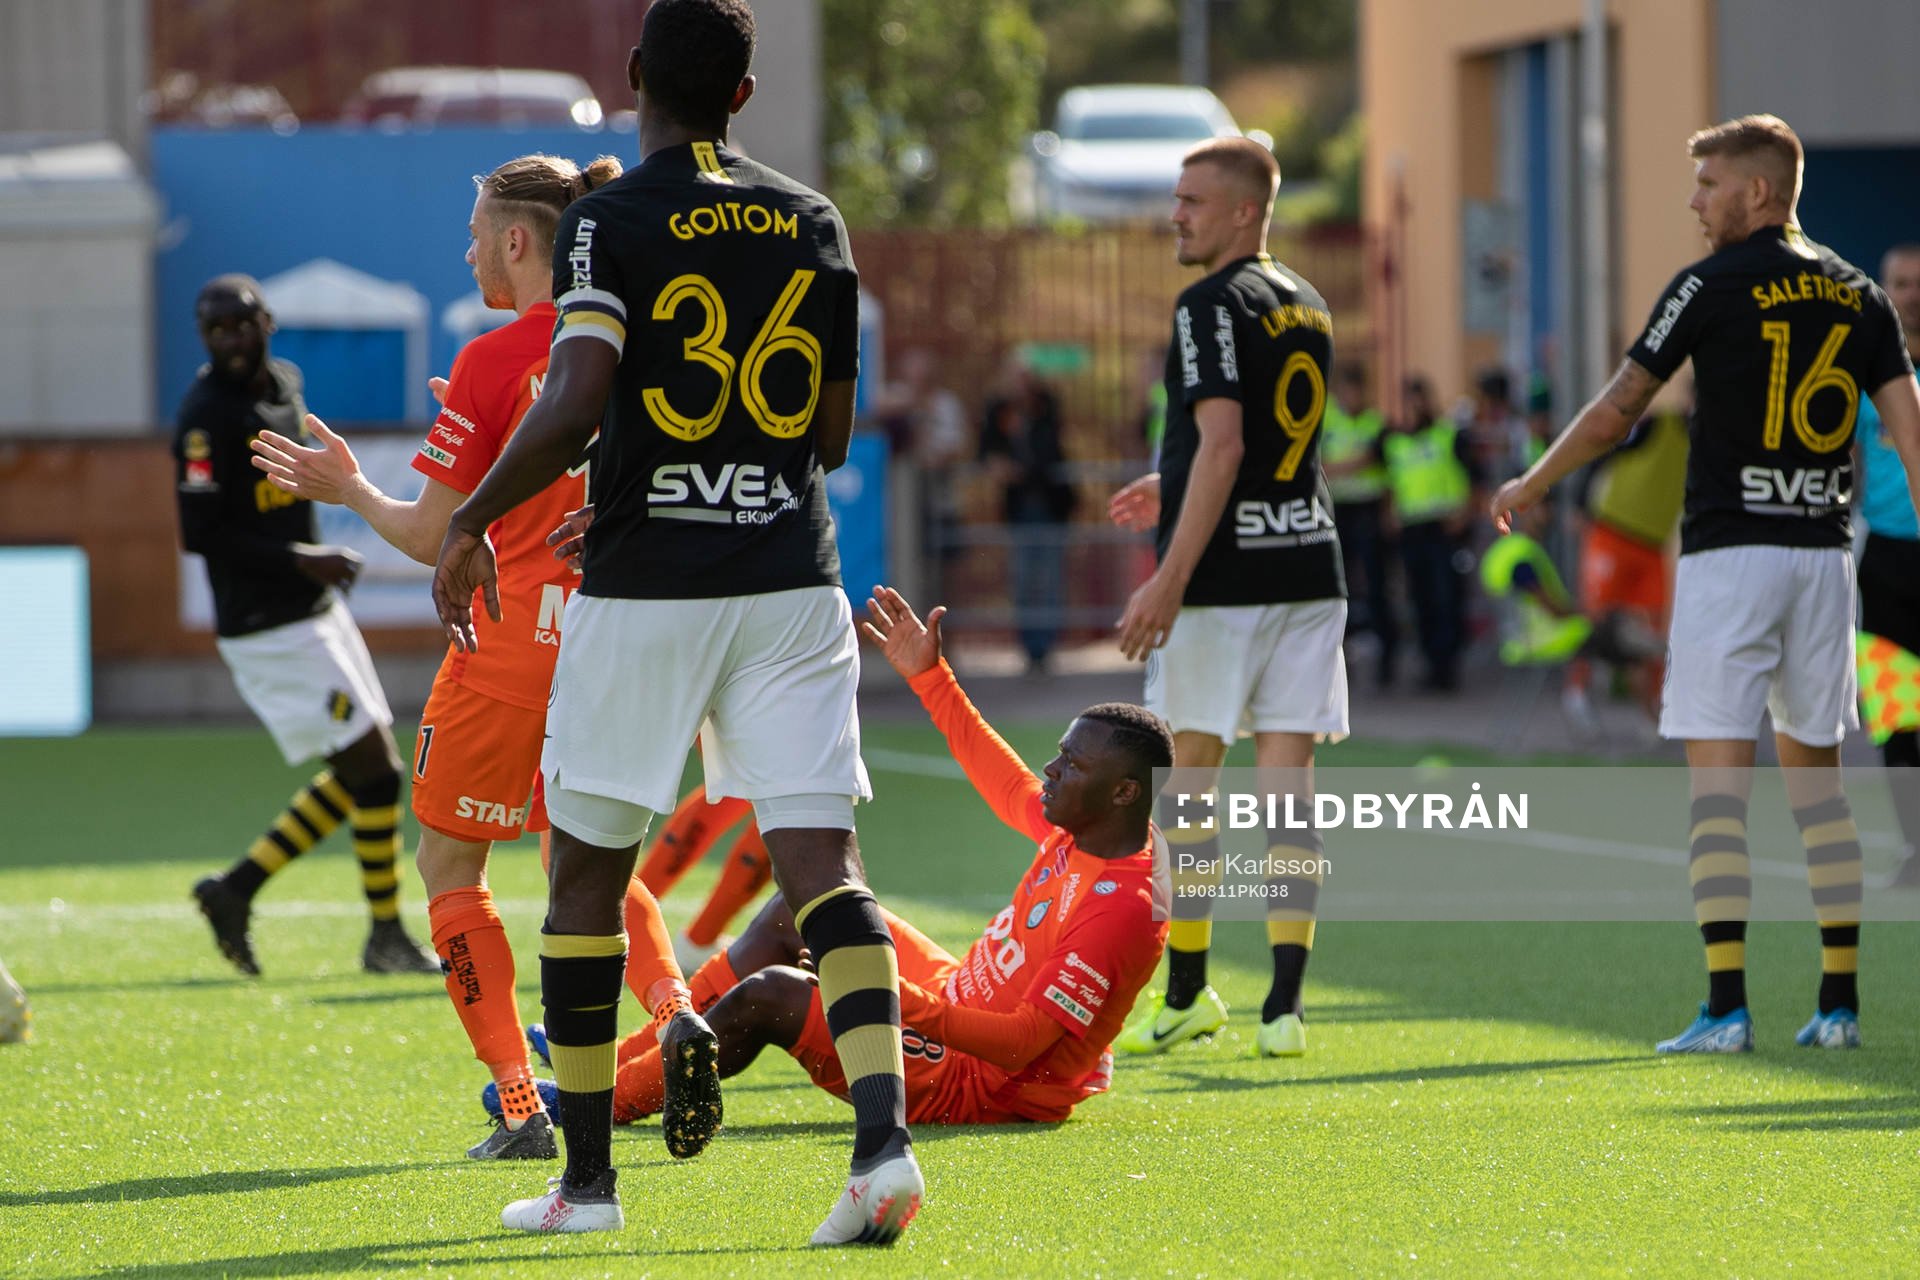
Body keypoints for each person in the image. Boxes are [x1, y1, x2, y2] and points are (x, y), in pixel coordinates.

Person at [428, 0, 922, 1242]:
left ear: (637, 75)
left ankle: (587, 1186)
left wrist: (473, 516)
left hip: (652, 586)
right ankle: (881, 1149)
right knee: (826, 867)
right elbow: (828, 432)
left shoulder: (610, 219)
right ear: (747, 94)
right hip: (789, 572)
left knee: (585, 873)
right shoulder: (815, 219)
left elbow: (581, 396)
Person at [249, 153, 707, 1164]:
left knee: (452, 861)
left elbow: (433, 536)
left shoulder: (502, 361)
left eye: (475, 234)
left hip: (507, 645)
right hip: (619, 640)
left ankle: (519, 1104)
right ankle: (675, 1009)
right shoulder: (637, 342)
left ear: (516, 240)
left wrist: (351, 487)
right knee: (584, 850)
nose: (465, 251)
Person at [1490, 114, 1920, 1053]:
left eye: (1708, 183)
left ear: (1760, 191)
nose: (1695, 201)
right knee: (1821, 794)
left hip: (1731, 561)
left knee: (1717, 794)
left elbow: (1617, 410)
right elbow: (1910, 429)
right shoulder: (1859, 293)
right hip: (1822, 560)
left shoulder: (1709, 284)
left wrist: (1534, 482)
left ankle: (1726, 1005)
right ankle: (1838, 1004)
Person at [609, 587, 1170, 1130]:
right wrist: (931, 678)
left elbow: (1023, 1044)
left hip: (978, 1081)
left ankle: (601, 1103)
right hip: (955, 998)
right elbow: (1004, 782)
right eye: (1060, 755)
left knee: (770, 995)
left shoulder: (1123, 906)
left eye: (1073, 765)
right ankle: (621, 1061)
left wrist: (890, 996)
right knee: (801, 908)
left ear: (1124, 793)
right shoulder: (1087, 831)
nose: (1051, 770)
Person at [1106, 135, 1345, 1061]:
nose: (1177, 214)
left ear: (1244, 212)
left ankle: (1192, 991)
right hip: (1309, 568)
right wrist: (1164, 483)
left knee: (1189, 788)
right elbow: (1271, 452)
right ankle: (1285, 1009)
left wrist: (1166, 579)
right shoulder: (1309, 303)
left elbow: (1227, 445)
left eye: (1193, 201)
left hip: (1224, 587)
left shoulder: (1209, 301)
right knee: (1290, 793)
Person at [174, 275, 438, 979]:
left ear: (268, 321)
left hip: (311, 610)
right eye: (214, 329)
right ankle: (384, 934)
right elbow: (200, 533)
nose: (229, 339)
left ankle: (235, 890)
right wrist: (300, 557)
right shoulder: (205, 417)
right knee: (376, 771)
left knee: (366, 769)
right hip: (267, 623)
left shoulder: (284, 385)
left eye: (239, 324)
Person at [1854, 244, 1920, 890]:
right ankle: (1913, 846)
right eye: (1901, 283)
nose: (1911, 294)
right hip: (1888, 564)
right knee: (1898, 713)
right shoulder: (1865, 370)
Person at [1563, 392, 1689, 729]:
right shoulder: (1656, 426)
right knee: (1596, 619)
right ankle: (1576, 693)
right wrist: (1580, 503)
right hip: (1613, 534)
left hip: (1653, 545)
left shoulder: (1708, 442)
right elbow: (1603, 451)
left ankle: (1654, 711)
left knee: (1650, 632)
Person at [1380, 375, 1478, 691]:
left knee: (1446, 598)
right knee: (1420, 599)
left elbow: (1475, 478)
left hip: (1443, 528)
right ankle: (1429, 665)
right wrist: (1390, 512)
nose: (1414, 408)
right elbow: (1388, 480)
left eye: (1419, 399)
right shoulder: (1393, 441)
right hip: (1412, 530)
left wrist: (1464, 515)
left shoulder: (1448, 435)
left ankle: (1447, 667)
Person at [980, 354, 1076, 673]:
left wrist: (1020, 468)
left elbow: (1051, 450)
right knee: (1023, 579)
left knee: (1049, 578)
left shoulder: (1046, 406)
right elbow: (985, 450)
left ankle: (1046, 648)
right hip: (1019, 508)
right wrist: (998, 465)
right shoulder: (998, 410)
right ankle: (1030, 649)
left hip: (1049, 504)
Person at [1320, 363, 1395, 685]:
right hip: (1338, 511)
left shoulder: (1376, 424)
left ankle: (1385, 663)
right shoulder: (1328, 423)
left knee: (1377, 585)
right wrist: (1355, 463)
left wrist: (1340, 467)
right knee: (1338, 587)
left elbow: (1376, 462)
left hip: (1369, 510)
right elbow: (1316, 466)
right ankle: (1341, 659)